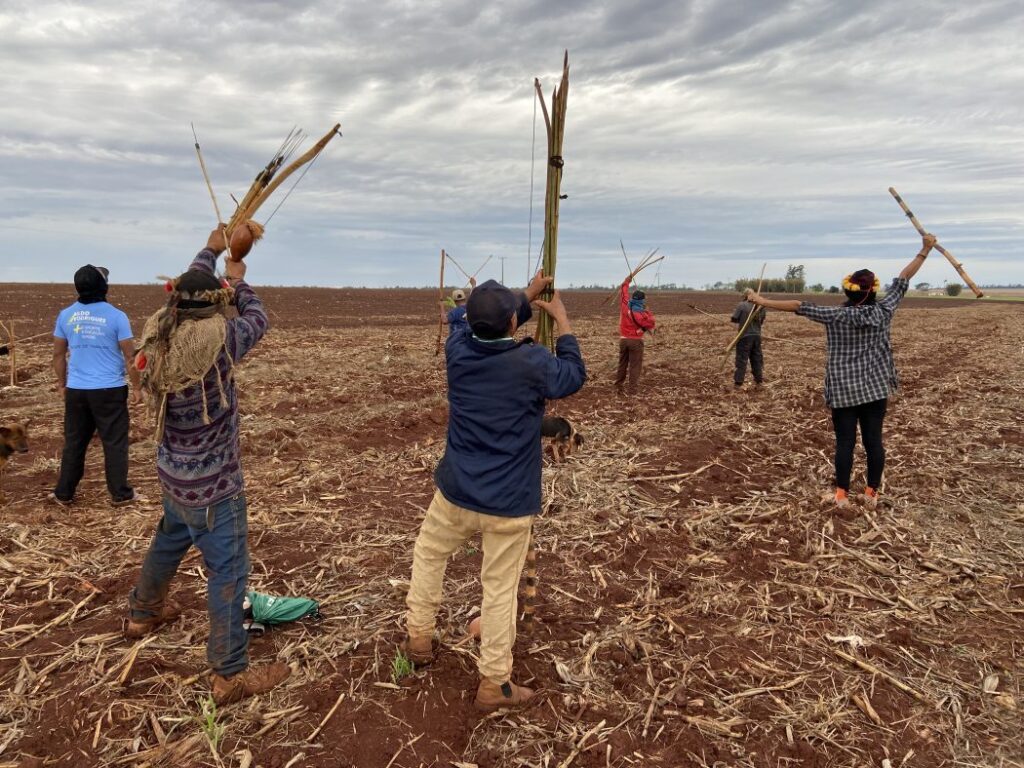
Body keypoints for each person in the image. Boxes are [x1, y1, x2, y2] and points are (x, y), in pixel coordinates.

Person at [403, 272, 586, 711]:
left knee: (429, 555)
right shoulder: (533, 363)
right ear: (512, 326)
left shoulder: (458, 350)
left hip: (456, 492)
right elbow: (573, 376)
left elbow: (461, 318)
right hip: (507, 503)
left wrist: (525, 293)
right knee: (499, 590)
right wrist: (562, 321)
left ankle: (419, 639)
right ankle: (494, 684)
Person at [125, 226, 289, 705]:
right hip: (216, 487)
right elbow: (258, 317)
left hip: (173, 475)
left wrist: (213, 248)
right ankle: (228, 674)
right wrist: (237, 278)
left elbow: (192, 282)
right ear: (215, 305)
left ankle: (142, 613)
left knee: (169, 539)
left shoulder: (160, 334)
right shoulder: (220, 340)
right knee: (229, 571)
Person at [747, 234, 937, 509]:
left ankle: (841, 496)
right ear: (872, 291)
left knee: (845, 443)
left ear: (848, 292)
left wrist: (760, 299)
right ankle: (872, 494)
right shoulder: (884, 310)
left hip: (844, 392)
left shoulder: (836, 316)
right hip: (876, 390)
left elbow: (800, 306)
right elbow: (903, 278)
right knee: (874, 442)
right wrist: (925, 249)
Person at [51, 265, 141, 506]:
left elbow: (58, 356)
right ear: (104, 287)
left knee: (74, 442)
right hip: (109, 390)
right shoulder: (117, 316)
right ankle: (121, 494)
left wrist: (62, 385)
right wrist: (138, 388)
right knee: (114, 443)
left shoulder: (65, 315)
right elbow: (131, 358)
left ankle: (64, 493)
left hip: (77, 391)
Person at [614, 278, 655, 395]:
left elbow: (623, 291)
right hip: (636, 342)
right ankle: (632, 391)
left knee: (622, 363)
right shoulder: (641, 313)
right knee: (635, 366)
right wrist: (648, 312)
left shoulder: (625, 305)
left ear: (633, 298)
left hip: (623, 340)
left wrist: (627, 280)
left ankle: (618, 386)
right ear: (642, 300)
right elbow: (651, 323)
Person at [730, 288, 766, 388]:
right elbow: (761, 321)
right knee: (756, 359)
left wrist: (742, 321)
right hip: (757, 336)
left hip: (744, 337)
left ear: (745, 296)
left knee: (742, 359)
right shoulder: (761, 307)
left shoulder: (742, 305)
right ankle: (759, 381)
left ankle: (738, 383)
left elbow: (734, 318)